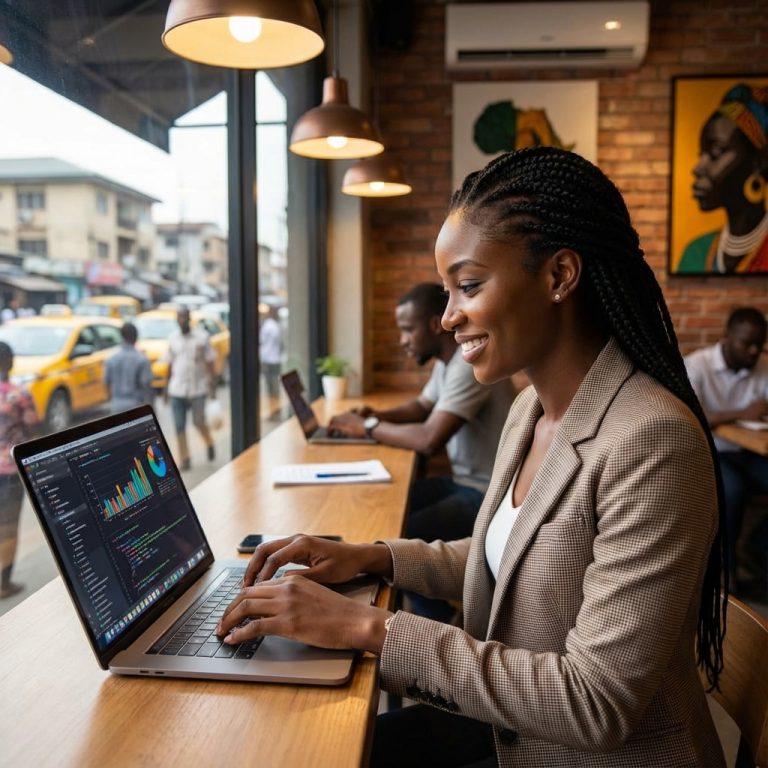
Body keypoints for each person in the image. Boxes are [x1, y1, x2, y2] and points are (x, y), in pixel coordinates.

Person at [217, 147, 728, 767]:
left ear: (560, 276)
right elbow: (504, 558)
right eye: (446, 291)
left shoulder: (652, 439)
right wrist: (369, 558)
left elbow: (599, 703)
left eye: (468, 285)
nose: (448, 316)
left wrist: (367, 627)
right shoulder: (529, 410)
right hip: (517, 728)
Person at [329, 282, 515, 621]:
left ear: (432, 325)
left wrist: (368, 430)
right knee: (385, 504)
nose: (402, 340)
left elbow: (429, 438)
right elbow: (421, 406)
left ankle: (442, 620)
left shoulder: (466, 363)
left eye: (406, 329)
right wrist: (375, 415)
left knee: (399, 537)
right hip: (462, 481)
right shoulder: (446, 363)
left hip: (486, 493)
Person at [685, 306, 768, 593]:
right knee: (730, 492)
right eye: (747, 343)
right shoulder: (698, 366)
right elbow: (691, 413)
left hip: (752, 452)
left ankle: (757, 552)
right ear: (726, 338)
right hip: (712, 452)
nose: (754, 351)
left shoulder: (763, 367)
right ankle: (726, 574)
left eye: (759, 344)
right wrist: (742, 412)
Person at [677, 83, 768, 274]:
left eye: (716, 151)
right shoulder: (695, 253)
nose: (697, 168)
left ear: (759, 162)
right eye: (700, 153)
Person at [0, 342, 38, 598]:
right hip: (10, 470)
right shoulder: (19, 394)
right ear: (10, 362)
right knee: (8, 526)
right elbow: (34, 426)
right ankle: (3, 582)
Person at [164, 308, 217, 472]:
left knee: (198, 421)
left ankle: (209, 442)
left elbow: (210, 362)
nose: (181, 321)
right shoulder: (173, 339)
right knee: (179, 426)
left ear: (189, 319)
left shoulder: (202, 338)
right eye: (179, 318)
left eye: (184, 318)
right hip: (177, 389)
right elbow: (169, 363)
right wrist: (166, 388)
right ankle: (185, 458)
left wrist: (212, 386)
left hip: (198, 388)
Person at [104, 322, 153, 413]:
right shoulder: (142, 359)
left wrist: (112, 401)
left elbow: (107, 382)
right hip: (136, 406)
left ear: (121, 336)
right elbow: (146, 385)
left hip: (116, 405)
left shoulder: (111, 359)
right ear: (136, 337)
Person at [259, 305, 283, 401]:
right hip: (275, 357)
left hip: (267, 357)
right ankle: (275, 397)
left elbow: (261, 341)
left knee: (269, 379)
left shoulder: (267, 326)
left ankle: (272, 398)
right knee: (275, 379)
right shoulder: (276, 326)